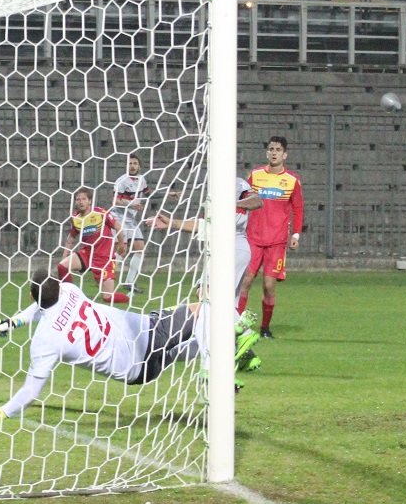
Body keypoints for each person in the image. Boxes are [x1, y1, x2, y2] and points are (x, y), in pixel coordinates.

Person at [0, 268, 210, 421]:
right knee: (204, 308)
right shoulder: (70, 290)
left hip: (138, 373)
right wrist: (17, 320)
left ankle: (213, 352)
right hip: (146, 333)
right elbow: (43, 302)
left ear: (31, 296)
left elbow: (30, 392)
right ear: (59, 286)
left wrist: (0, 413)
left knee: (177, 351)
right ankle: (215, 361)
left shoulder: (44, 341)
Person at [149, 176, 265, 372]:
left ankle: (243, 335)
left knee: (207, 296)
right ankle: (245, 354)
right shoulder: (213, 191)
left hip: (233, 245)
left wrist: (231, 205)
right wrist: (172, 223)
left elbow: (257, 201)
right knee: (216, 304)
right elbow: (203, 224)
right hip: (221, 248)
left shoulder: (236, 182)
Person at [238, 136, 304, 339]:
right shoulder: (255, 175)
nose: (274, 153)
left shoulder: (292, 180)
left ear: (285, 155)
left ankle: (265, 328)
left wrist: (296, 234)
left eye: (278, 150)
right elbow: (242, 200)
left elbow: (298, 208)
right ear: (267, 153)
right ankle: (235, 324)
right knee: (245, 281)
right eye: (271, 149)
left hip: (276, 241)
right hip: (253, 239)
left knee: (268, 285)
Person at [59, 187, 129, 304]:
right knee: (62, 267)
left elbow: (118, 227)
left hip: (104, 258)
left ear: (90, 201)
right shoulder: (76, 218)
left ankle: (129, 299)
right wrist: (64, 256)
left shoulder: (100, 213)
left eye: (84, 199)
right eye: (78, 199)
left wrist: (121, 244)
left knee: (107, 297)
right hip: (87, 254)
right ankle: (69, 298)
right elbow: (71, 237)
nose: (81, 202)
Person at [113, 154, 150, 294]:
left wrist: (168, 194)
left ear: (139, 166)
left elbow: (150, 194)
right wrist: (131, 205)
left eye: (135, 163)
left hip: (131, 220)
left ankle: (129, 283)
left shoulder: (142, 180)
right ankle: (105, 276)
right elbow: (115, 201)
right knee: (122, 251)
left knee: (140, 249)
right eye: (130, 163)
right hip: (119, 217)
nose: (132, 166)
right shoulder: (121, 181)